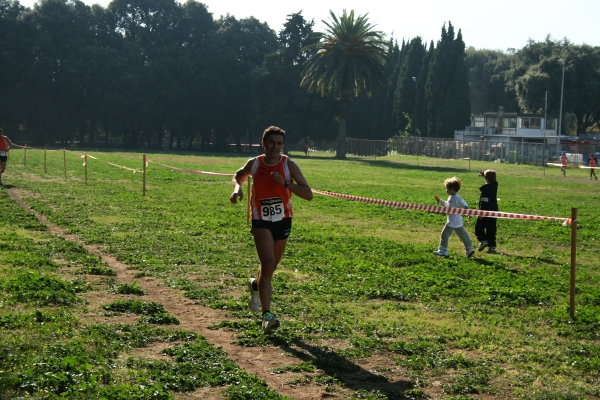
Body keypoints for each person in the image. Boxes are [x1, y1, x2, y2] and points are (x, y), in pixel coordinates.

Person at [230, 126, 313, 334]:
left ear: (283, 146)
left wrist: (286, 183)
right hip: (260, 220)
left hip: (283, 220)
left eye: (279, 143)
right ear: (264, 144)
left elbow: (308, 193)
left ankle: (255, 286)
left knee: (269, 269)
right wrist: (237, 188)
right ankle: (267, 317)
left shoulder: (289, 165)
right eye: (272, 143)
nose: (276, 147)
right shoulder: (256, 163)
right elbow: (239, 175)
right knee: (266, 263)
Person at [433, 177, 475, 258]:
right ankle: (469, 249)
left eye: (447, 188)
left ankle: (443, 250)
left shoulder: (456, 198)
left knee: (444, 234)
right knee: (463, 235)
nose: (446, 190)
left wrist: (469, 213)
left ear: (452, 188)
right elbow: (447, 205)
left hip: (452, 221)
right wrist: (440, 201)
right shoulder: (451, 197)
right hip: (457, 221)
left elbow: (465, 205)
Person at [475, 170, 499, 254]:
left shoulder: (485, 189)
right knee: (491, 229)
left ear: (486, 178)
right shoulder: (495, 185)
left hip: (485, 212)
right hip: (494, 211)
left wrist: (481, 212)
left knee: (479, 228)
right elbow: (491, 177)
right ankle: (492, 246)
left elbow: (484, 201)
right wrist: (483, 173)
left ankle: (483, 240)